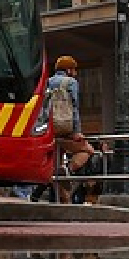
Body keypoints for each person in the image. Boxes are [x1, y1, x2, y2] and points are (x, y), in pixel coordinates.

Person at [32, 55, 100, 203]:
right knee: (88, 150)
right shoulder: (71, 82)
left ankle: (49, 195)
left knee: (55, 165)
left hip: (49, 130)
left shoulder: (47, 82)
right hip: (66, 128)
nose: (75, 72)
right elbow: (74, 108)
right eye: (74, 69)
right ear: (69, 69)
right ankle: (69, 168)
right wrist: (77, 131)